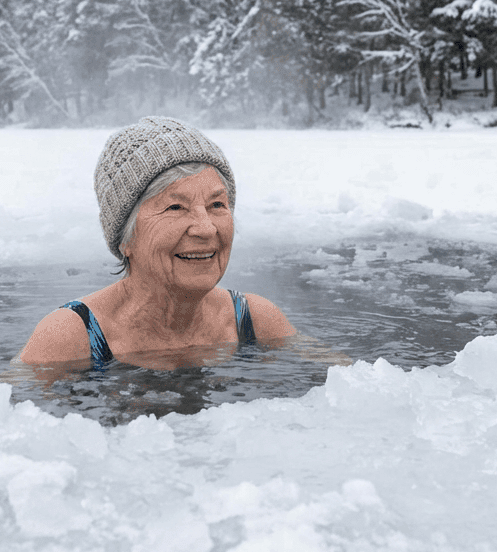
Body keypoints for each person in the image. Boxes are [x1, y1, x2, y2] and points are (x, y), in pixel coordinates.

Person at [19, 116, 296, 367]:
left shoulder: (255, 322)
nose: (206, 228)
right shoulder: (70, 338)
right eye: (175, 207)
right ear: (125, 238)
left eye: (217, 204)